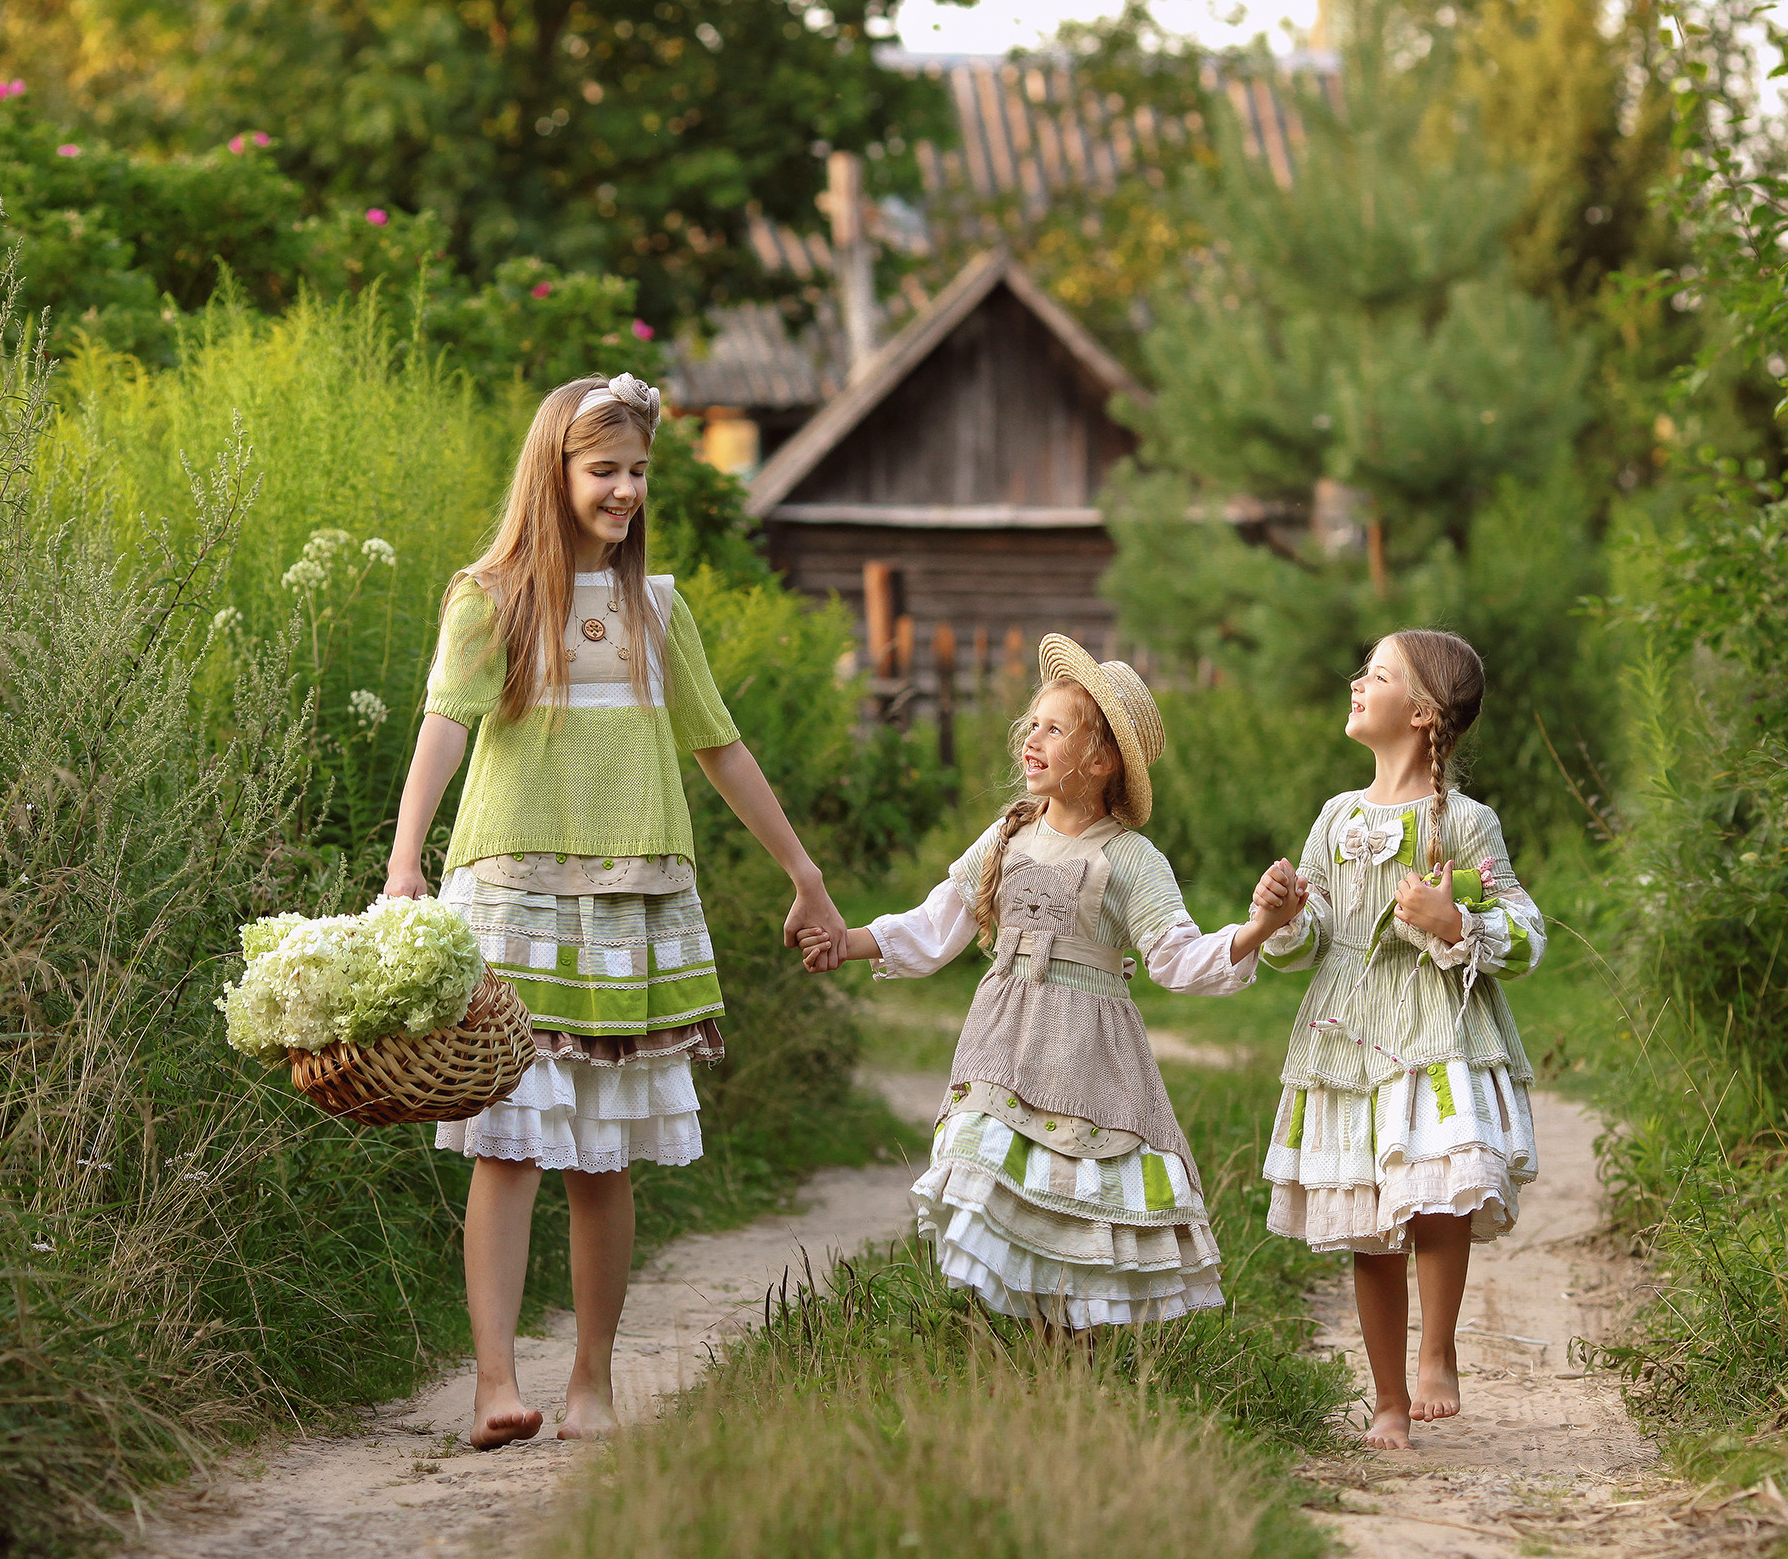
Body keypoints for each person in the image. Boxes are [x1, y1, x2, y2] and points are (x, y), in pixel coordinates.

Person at [383, 373, 842, 1448]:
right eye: (604, 470)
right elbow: (444, 727)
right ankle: (496, 1384)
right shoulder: (491, 598)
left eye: (638, 471)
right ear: (554, 472)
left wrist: (805, 873)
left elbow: (719, 747)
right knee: (509, 1144)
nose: (626, 489)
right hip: (513, 896)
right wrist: (406, 862)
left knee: (604, 1159)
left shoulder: (657, 610)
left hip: (632, 902)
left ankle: (591, 1383)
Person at [801, 635, 1283, 1330]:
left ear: (1101, 760)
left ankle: (1071, 1350)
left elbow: (1176, 958)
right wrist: (847, 943)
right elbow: (937, 922)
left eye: (1055, 729)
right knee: (982, 1160)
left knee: (1077, 1198)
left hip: (1089, 1060)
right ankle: (1023, 1342)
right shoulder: (1008, 836)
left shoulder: (1131, 860)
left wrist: (1258, 928)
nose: (1031, 739)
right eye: (1033, 724)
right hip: (1001, 1049)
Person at [1247, 629, 1545, 1448]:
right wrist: (1282, 914)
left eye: (1374, 674)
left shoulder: (1468, 823)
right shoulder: (1336, 816)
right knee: (1370, 1216)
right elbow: (1310, 939)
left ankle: (1437, 1354)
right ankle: (1387, 1399)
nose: (1355, 683)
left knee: (1439, 1189)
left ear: (1419, 713)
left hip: (1437, 1030)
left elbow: (1527, 933)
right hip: (1351, 1037)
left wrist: (1453, 921)